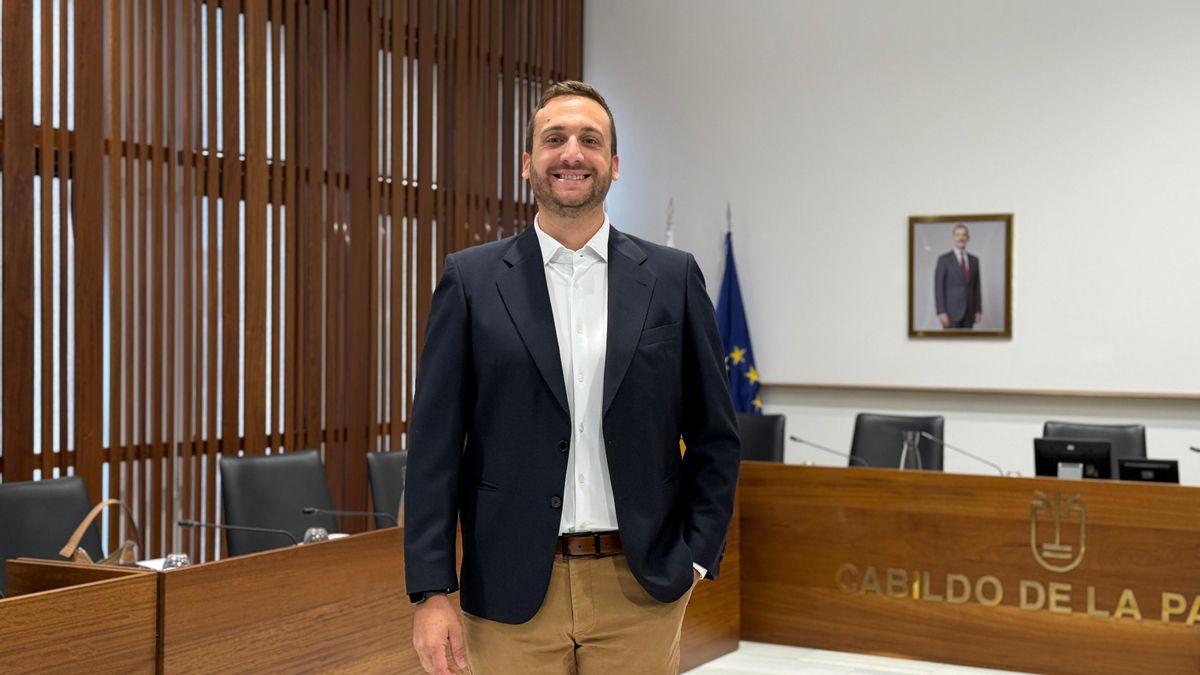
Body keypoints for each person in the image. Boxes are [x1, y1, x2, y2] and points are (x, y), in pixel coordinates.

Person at [403, 80, 741, 675]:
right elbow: (433, 450)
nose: (571, 153)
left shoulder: (672, 277)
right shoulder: (472, 281)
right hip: (508, 593)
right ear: (527, 163)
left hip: (640, 588)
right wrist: (432, 592)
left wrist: (694, 556)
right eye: (554, 139)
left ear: (613, 164)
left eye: (590, 139)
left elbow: (716, 436)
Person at [934, 224, 982, 329]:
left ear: (968, 237)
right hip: (950, 313)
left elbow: (977, 287)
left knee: (968, 344)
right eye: (958, 235)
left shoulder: (974, 260)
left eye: (964, 235)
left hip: (970, 312)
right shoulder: (944, 260)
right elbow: (939, 287)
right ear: (953, 237)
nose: (961, 238)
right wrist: (941, 312)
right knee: (950, 345)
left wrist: (978, 310)